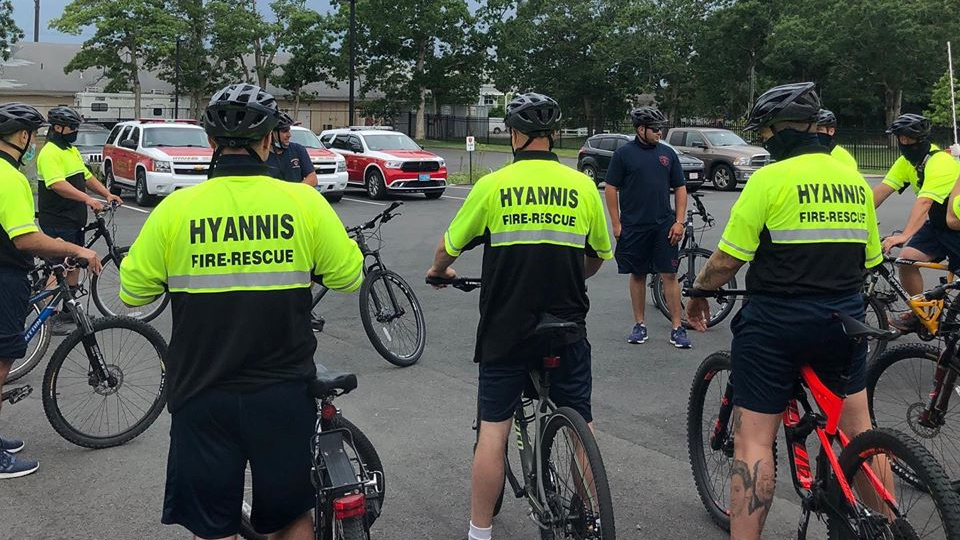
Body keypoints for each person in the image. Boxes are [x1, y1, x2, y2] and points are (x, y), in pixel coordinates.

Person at [119, 83, 363, 540]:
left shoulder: (176, 209)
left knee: (214, 528)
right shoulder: (303, 203)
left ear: (211, 141)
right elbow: (349, 276)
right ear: (270, 140)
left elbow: (133, 292)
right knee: (291, 520)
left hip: (201, 392)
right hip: (282, 393)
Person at [686, 82, 888, 540]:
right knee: (861, 432)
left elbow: (726, 260)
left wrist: (698, 292)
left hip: (777, 323)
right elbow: (870, 259)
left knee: (753, 440)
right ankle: (889, 525)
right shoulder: (855, 183)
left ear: (777, 131)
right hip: (845, 319)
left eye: (765, 132)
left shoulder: (769, 180)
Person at [425, 92, 612, 540]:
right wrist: (575, 275)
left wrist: (439, 271)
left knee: (494, 431)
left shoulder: (494, 186)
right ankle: (592, 520)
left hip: (506, 327)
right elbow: (598, 256)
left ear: (514, 135)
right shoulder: (582, 187)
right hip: (567, 326)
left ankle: (479, 532)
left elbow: (449, 247)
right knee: (581, 426)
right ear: (553, 136)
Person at [0, 102, 100, 479]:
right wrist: (76, 249)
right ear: (23, 136)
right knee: (1, 363)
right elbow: (24, 238)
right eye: (33, 135)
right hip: (5, 275)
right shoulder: (10, 178)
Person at [604, 106, 690, 348]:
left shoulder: (667, 154)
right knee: (638, 273)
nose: (659, 133)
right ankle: (639, 325)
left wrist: (679, 221)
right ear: (640, 130)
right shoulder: (623, 154)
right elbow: (611, 188)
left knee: (669, 274)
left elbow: (680, 187)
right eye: (655, 129)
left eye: (660, 129)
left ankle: (677, 327)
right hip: (634, 225)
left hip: (664, 225)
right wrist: (616, 223)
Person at [35, 106, 122, 334]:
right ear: (58, 128)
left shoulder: (70, 150)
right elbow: (57, 184)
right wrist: (88, 199)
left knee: (74, 263)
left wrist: (106, 194)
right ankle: (49, 319)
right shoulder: (50, 152)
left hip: (74, 219)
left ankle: (68, 312)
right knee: (58, 268)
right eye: (72, 127)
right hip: (57, 218)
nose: (75, 131)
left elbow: (86, 176)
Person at [872, 113, 960, 331]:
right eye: (899, 138)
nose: (903, 143)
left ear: (919, 139)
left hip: (956, 227)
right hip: (937, 226)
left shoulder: (940, 161)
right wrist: (857, 216)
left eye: (907, 138)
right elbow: (881, 192)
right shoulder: (906, 162)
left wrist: (904, 235)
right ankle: (921, 313)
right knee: (907, 260)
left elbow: (924, 203)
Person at [266, 112, 318, 186]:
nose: (289, 135)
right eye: (284, 131)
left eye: (289, 131)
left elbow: (312, 179)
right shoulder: (262, 155)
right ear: (271, 133)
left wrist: (293, 191)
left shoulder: (298, 150)